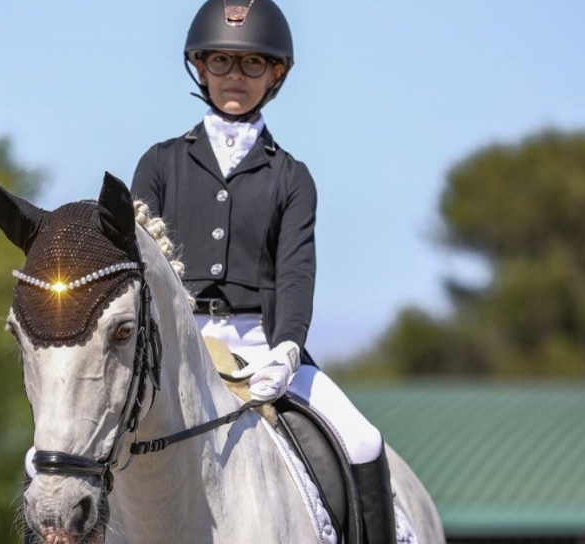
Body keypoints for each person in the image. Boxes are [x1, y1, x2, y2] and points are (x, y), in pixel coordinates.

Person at [130, 1, 397, 542]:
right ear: (200, 68)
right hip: (176, 345)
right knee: (56, 455)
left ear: (275, 74)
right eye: (223, 62)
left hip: (263, 347)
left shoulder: (292, 177)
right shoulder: (159, 164)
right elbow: (138, 269)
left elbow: (297, 272)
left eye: (252, 64)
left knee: (364, 440)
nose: (235, 76)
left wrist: (288, 349)